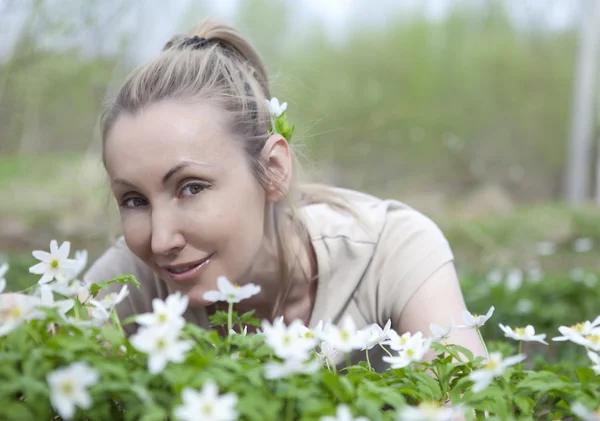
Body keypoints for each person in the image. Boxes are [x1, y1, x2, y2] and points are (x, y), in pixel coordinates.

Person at [85, 19, 486, 371]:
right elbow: (39, 339)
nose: (161, 240)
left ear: (273, 171)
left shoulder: (390, 250)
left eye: (191, 187)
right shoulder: (135, 277)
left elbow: (471, 404)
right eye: (135, 200)